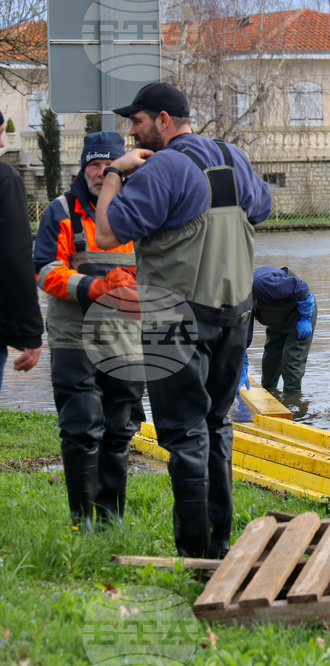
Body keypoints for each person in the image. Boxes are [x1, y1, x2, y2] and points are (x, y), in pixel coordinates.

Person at [94, 82, 273, 557]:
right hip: (236, 315)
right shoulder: (235, 157)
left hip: (176, 320)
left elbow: (108, 234)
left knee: (185, 433)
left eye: (138, 122)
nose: (133, 133)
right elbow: (263, 208)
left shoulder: (165, 167)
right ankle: (220, 543)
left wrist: (114, 174)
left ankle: (196, 555)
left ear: (165, 122)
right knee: (217, 425)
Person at [33, 131, 143, 530]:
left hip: (126, 339)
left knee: (119, 430)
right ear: (83, 169)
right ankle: (82, 522)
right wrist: (92, 286)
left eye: (107, 165)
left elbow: (161, 269)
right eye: (93, 166)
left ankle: (111, 520)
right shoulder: (60, 212)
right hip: (73, 337)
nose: (99, 173)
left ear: (121, 170)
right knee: (80, 428)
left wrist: (131, 282)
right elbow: (45, 268)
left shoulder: (140, 212)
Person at [0, 109, 43, 391]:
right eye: (0, 134)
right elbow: (14, 258)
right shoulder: (4, 179)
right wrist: (31, 332)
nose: (3, 143)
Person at [241, 266, 316, 393]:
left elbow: (302, 288)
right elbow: (242, 333)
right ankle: (269, 393)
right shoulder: (236, 299)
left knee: (292, 364)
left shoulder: (260, 283)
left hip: (299, 316)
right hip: (275, 320)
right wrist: (242, 362)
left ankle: (293, 401)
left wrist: (306, 317)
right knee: (270, 361)